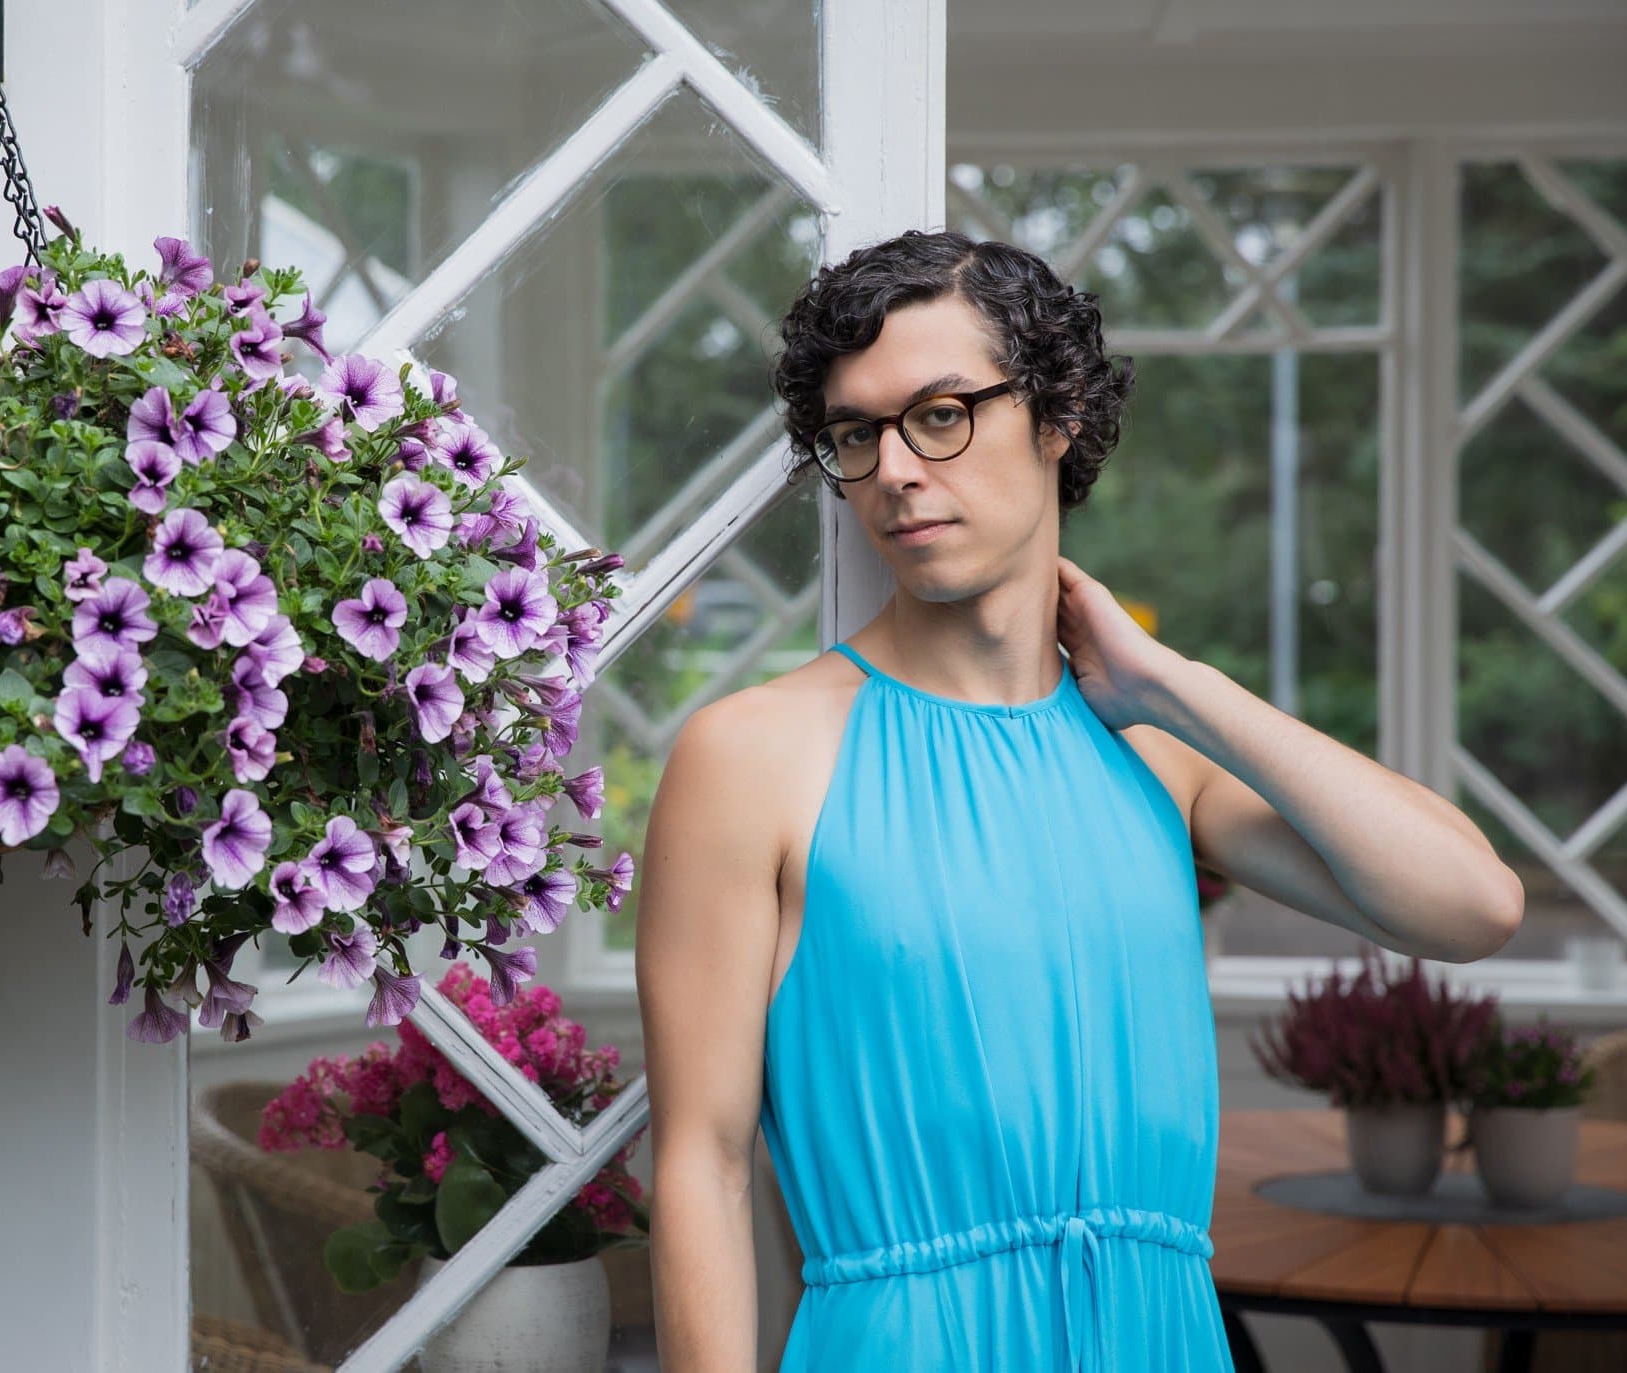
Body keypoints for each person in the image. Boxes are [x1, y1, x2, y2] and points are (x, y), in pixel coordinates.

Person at [636, 230, 1524, 1371]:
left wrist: (1177, 687)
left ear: (1056, 414)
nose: (894, 468)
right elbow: (701, 1165)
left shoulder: (1155, 748)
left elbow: (1471, 905)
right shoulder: (752, 754)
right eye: (856, 433)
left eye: (940, 414)